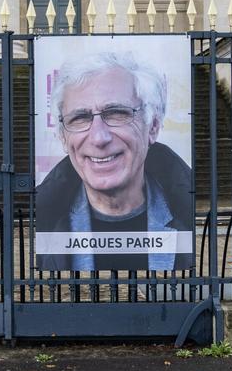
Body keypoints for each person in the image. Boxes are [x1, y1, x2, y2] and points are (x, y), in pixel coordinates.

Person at [35, 51, 193, 271]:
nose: (99, 138)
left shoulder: (190, 216)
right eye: (80, 118)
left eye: (117, 113)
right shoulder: (43, 221)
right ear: (63, 136)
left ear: (153, 126)